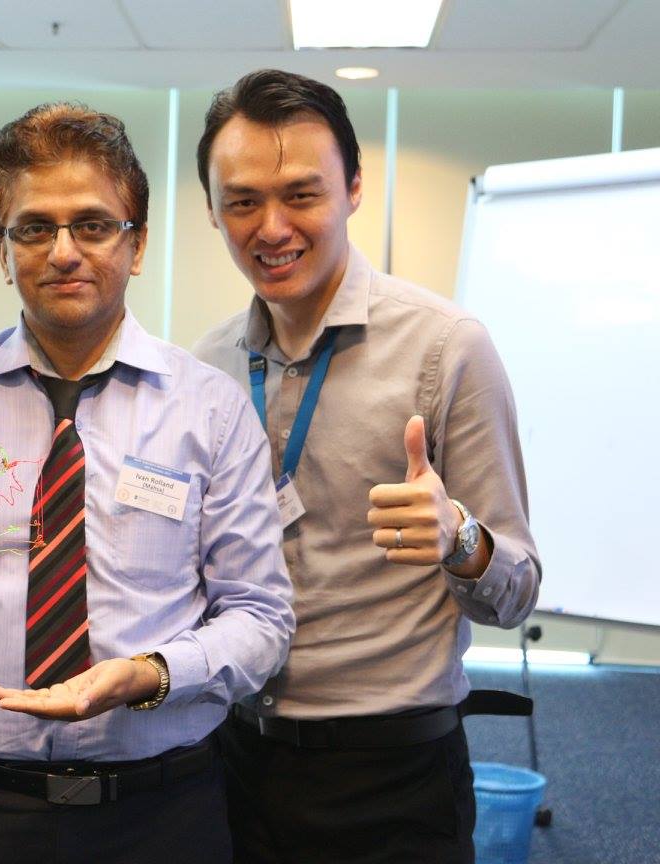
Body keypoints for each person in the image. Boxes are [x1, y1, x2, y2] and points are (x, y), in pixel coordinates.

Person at [0, 102, 294, 864]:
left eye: (94, 225)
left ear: (138, 244)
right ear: (3, 250)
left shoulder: (210, 409)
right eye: (35, 227)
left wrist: (151, 675)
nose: (64, 251)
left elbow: (261, 618)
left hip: (161, 816)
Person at [192, 69, 541, 863]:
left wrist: (459, 539)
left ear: (353, 188)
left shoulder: (447, 348)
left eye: (301, 195)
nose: (272, 227)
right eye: (242, 201)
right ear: (212, 210)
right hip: (231, 760)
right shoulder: (207, 366)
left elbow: (518, 586)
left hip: (392, 780)